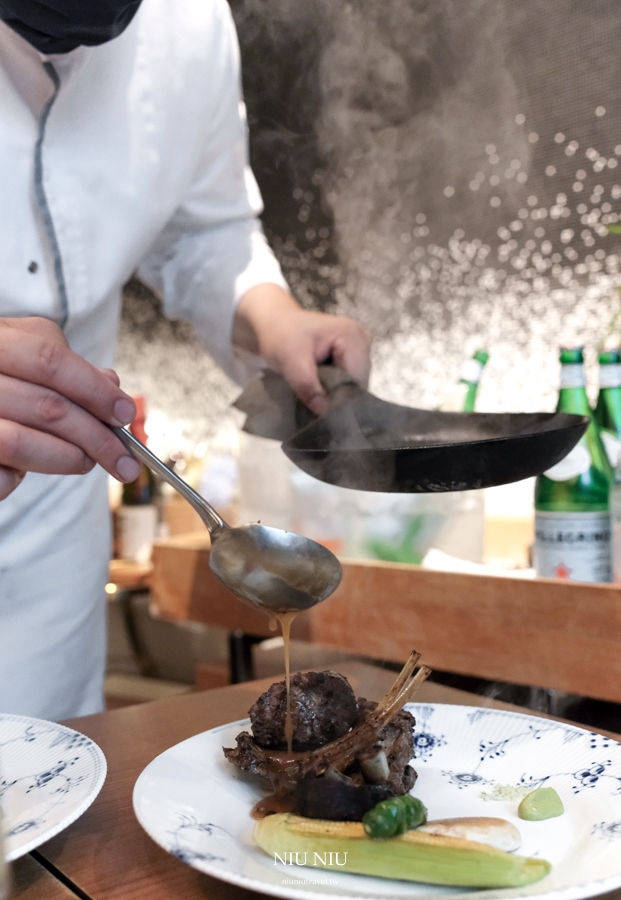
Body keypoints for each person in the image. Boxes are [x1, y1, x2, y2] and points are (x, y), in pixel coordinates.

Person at [0, 0, 370, 720]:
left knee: (45, 805)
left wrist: (272, 314)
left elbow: (205, 228)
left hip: (51, 543)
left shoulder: (189, 23)